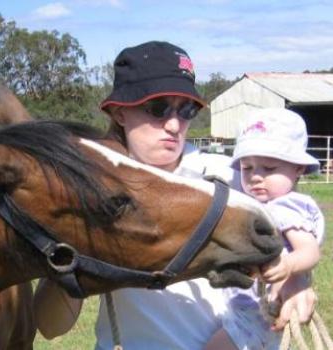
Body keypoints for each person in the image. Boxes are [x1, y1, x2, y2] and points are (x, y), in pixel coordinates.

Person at [33, 41, 317, 350]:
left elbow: (291, 237)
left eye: (186, 110)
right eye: (158, 108)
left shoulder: (232, 178)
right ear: (119, 113)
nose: (174, 124)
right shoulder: (93, 191)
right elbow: (50, 327)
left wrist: (296, 280)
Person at [205, 108, 325, 350]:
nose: (256, 177)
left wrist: (289, 266)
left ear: (298, 168)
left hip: (258, 314)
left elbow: (310, 251)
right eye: (247, 168)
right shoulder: (258, 204)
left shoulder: (288, 206)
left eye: (269, 168)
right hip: (245, 308)